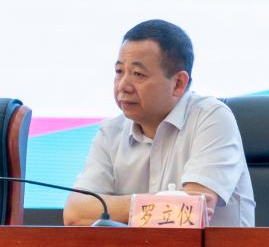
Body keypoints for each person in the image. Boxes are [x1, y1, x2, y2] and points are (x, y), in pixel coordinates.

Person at [64, 20, 255, 227]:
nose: (123, 86)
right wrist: (159, 203)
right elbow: (75, 213)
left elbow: (190, 214)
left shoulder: (212, 117)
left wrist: (116, 208)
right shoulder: (111, 132)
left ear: (178, 83)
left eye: (138, 74)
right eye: (119, 71)